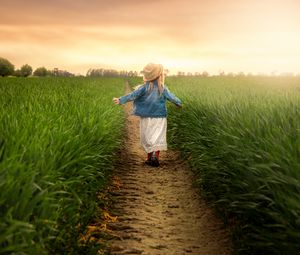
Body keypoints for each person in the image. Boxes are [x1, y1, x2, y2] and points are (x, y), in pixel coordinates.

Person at [113, 63, 182, 167]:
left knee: (148, 136)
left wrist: (120, 100)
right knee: (157, 136)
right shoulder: (162, 88)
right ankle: (155, 156)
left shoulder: (143, 88)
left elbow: (133, 95)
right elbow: (171, 97)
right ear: (160, 75)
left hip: (146, 117)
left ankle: (149, 158)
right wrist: (178, 103)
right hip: (160, 117)